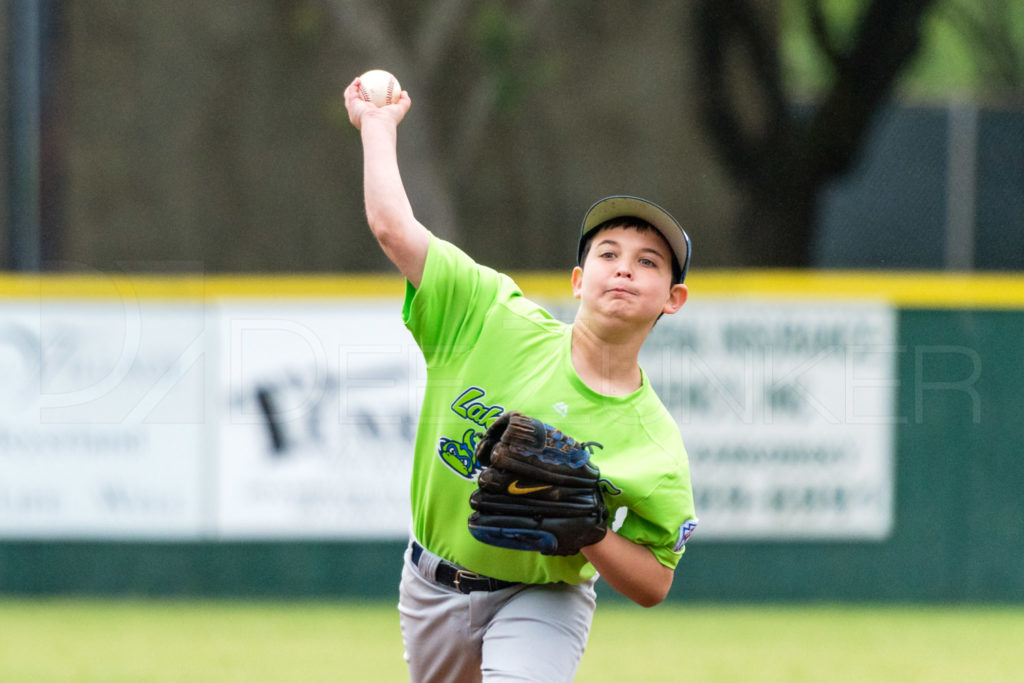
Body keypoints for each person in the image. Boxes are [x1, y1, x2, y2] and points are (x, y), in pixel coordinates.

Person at [344, 75, 697, 683]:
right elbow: (393, 229)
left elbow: (655, 581)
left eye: (648, 263)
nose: (623, 270)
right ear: (579, 279)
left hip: (543, 597)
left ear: (673, 298)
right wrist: (378, 130)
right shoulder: (488, 315)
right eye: (607, 254)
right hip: (431, 585)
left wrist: (591, 535)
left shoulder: (654, 444)